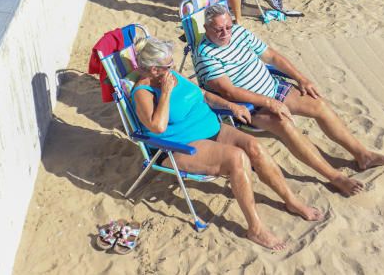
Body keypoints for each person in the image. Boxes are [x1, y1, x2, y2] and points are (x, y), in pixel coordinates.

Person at [131, 36, 323, 250]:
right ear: (153, 69)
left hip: (213, 128)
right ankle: (255, 229)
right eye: (168, 65)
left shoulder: (170, 74)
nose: (173, 67)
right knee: (236, 158)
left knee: (254, 146)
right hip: (181, 147)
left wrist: (231, 106)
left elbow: (202, 94)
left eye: (172, 62)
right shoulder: (143, 91)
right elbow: (157, 127)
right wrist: (166, 93)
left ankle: (291, 200)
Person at [194, 5, 384, 197]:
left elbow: (272, 56)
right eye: (218, 29)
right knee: (286, 127)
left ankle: (362, 155)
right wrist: (270, 103)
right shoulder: (205, 54)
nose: (225, 32)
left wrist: (300, 78)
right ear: (206, 28)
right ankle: (335, 177)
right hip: (251, 107)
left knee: (318, 105)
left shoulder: (240, 32)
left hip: (273, 87)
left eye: (228, 26)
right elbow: (229, 91)